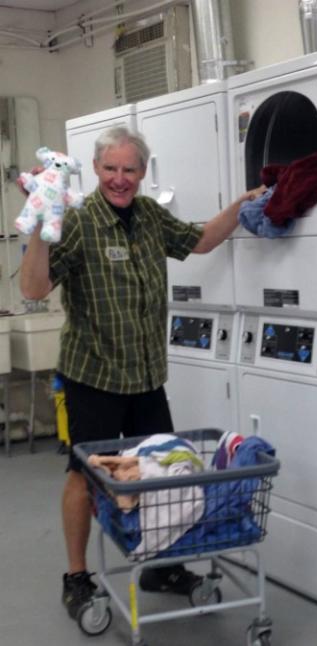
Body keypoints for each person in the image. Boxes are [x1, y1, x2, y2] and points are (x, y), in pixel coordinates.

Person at [19, 126, 266, 620]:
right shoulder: (79, 220)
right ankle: (76, 576)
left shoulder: (151, 216)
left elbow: (200, 241)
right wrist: (40, 228)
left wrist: (242, 204)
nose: (119, 178)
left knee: (158, 473)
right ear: (95, 170)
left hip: (147, 376)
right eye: (110, 168)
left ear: (142, 173)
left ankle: (158, 565)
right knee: (83, 477)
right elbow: (33, 289)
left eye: (129, 169)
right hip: (93, 375)